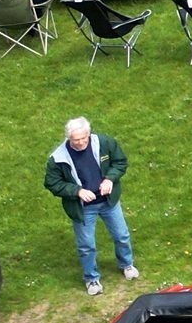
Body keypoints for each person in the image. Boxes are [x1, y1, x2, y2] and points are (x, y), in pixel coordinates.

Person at [43, 117, 138, 296]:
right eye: (75, 140)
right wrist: (77, 191)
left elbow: (120, 162)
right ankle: (91, 278)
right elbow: (52, 183)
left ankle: (127, 264)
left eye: (83, 138)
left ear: (88, 134)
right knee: (86, 245)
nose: (79, 143)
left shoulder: (104, 143)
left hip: (108, 201)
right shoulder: (58, 158)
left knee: (121, 235)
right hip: (83, 208)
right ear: (68, 138)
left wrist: (110, 179)